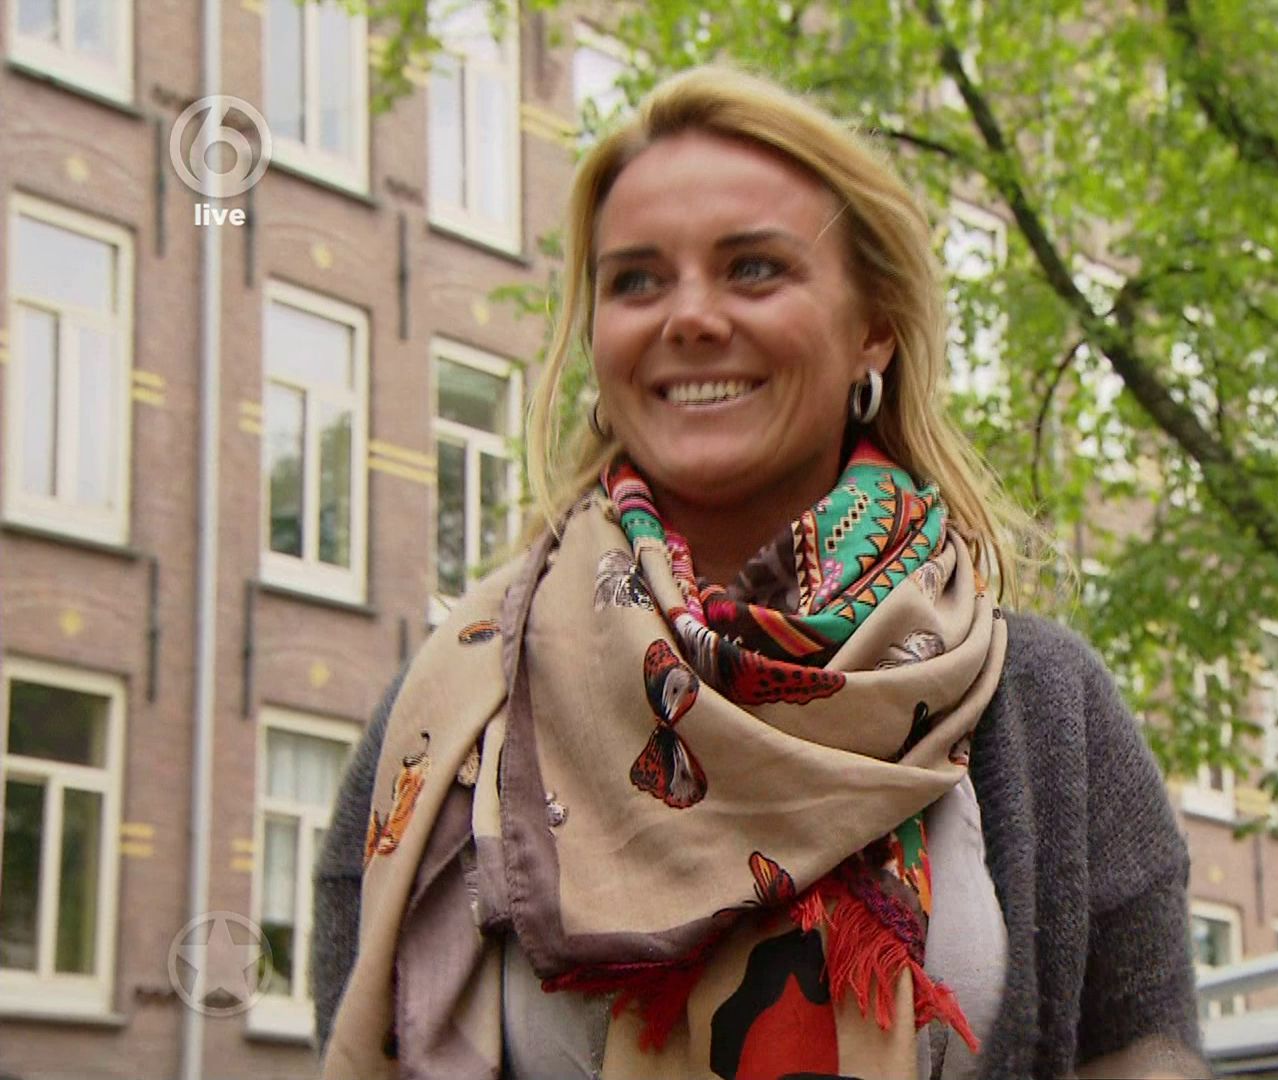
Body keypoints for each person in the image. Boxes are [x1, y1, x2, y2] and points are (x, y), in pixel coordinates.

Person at [311, 65, 1207, 1080]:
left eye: (752, 269)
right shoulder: (456, 712)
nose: (688, 316)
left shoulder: (1047, 714)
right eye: (636, 281)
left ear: (874, 328)